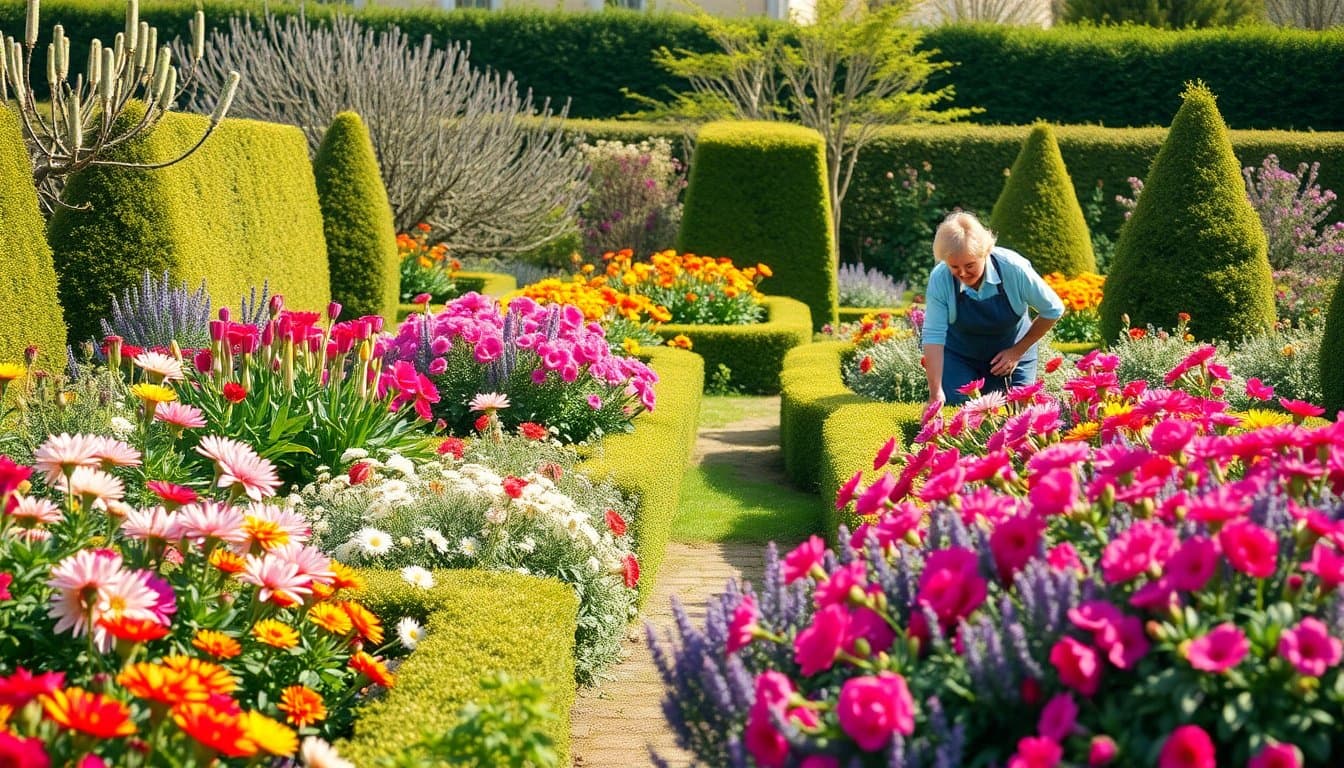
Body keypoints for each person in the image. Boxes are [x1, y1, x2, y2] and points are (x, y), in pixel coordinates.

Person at [921, 212, 1064, 406]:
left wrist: (1017, 351)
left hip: (1013, 349)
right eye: (954, 266)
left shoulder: (1014, 268)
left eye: (970, 265)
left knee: (1018, 408)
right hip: (960, 356)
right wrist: (935, 392)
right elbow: (933, 336)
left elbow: (1053, 309)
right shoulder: (940, 278)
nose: (962, 273)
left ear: (985, 252)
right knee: (959, 406)